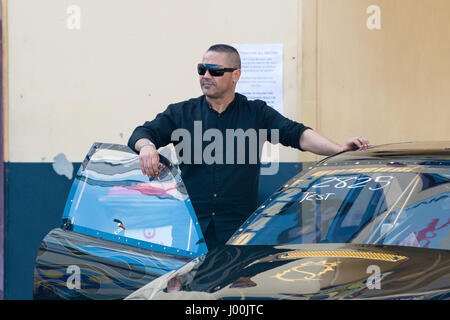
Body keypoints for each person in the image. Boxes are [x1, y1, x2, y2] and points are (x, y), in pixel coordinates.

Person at [128, 44, 370, 249]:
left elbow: (298, 135)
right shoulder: (181, 112)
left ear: (236, 75)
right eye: (202, 69)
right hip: (191, 229)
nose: (206, 76)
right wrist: (147, 146)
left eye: (215, 71)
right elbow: (141, 133)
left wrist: (340, 150)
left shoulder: (256, 113)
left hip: (239, 232)